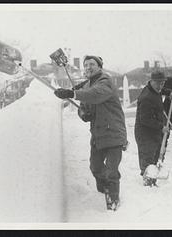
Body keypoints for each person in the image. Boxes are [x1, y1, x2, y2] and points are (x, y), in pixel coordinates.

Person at [53, 55, 127, 210]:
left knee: (111, 170)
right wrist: (83, 114)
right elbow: (84, 106)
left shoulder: (105, 81)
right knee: (95, 167)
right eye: (85, 65)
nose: (88, 67)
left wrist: (71, 93)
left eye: (92, 64)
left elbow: (95, 95)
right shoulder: (87, 85)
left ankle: (113, 200)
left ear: (100, 67)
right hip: (98, 134)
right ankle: (104, 191)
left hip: (113, 132)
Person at [134, 71, 170, 186]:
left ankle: (153, 179)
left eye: (163, 83)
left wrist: (169, 93)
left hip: (153, 130)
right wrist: (161, 127)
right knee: (148, 157)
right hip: (144, 132)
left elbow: (161, 90)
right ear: (151, 81)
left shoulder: (155, 90)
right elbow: (145, 119)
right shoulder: (146, 97)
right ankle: (148, 182)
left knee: (156, 155)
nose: (160, 86)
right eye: (158, 83)